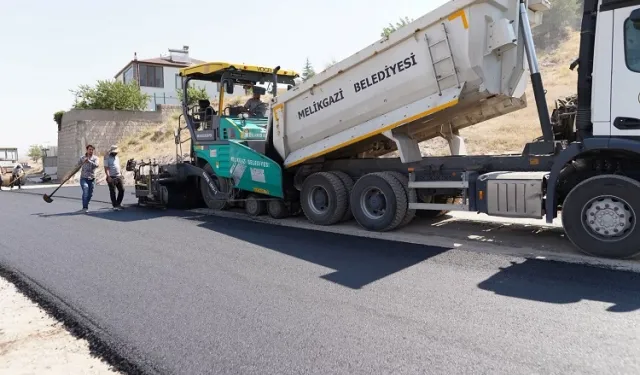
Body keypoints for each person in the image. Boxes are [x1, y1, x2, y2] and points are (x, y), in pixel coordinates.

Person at [78, 144, 99, 213]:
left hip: (91, 178)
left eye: (92, 150)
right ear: (87, 150)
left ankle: (86, 203)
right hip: (83, 178)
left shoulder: (95, 158)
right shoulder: (82, 158)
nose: (91, 151)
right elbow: (77, 166)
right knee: (85, 189)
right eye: (89, 149)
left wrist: (89, 161)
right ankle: (85, 208)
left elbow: (96, 165)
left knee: (90, 194)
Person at [104, 145, 125, 210]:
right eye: (114, 152)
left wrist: (121, 174)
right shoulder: (106, 158)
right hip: (111, 176)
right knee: (113, 191)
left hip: (118, 176)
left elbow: (118, 166)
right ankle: (115, 205)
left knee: (122, 190)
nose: (116, 153)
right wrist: (108, 176)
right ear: (111, 152)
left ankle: (118, 203)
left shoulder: (117, 158)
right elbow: (106, 168)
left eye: (116, 152)